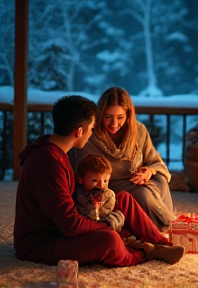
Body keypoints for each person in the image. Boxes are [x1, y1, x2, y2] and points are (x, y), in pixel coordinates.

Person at [14, 95, 185, 267]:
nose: (92, 133)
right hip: (42, 242)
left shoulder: (55, 150)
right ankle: (144, 254)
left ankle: (160, 243)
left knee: (123, 200)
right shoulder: (49, 162)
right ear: (79, 131)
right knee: (110, 239)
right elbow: (71, 225)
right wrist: (106, 225)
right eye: (91, 128)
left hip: (62, 228)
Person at [68, 87, 175, 232]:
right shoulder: (90, 136)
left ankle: (166, 227)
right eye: (108, 117)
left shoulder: (139, 131)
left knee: (160, 181)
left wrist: (148, 172)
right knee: (143, 194)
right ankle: (164, 228)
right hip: (106, 186)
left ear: (128, 115)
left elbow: (155, 162)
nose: (114, 124)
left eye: (120, 117)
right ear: (100, 114)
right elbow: (80, 173)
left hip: (137, 181)